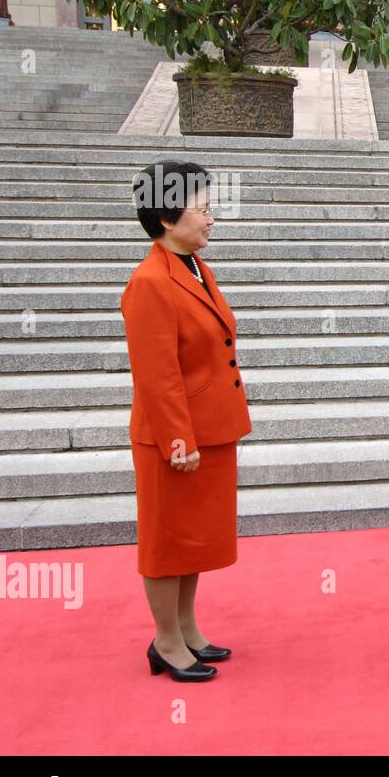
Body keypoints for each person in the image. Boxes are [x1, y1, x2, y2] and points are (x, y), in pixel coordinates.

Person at [123, 160, 252, 680]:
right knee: (167, 540)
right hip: (175, 439)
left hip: (211, 427)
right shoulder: (150, 282)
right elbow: (157, 376)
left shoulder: (193, 266)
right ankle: (166, 642)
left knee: (194, 536)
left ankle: (188, 629)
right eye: (202, 209)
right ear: (166, 220)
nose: (211, 218)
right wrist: (180, 441)